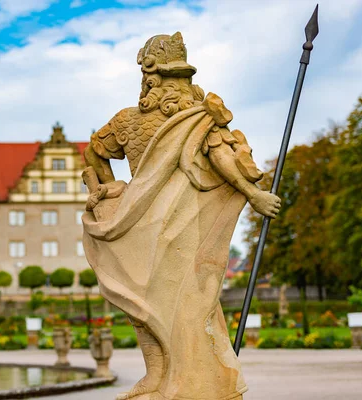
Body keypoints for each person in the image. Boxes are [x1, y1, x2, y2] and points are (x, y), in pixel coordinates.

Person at [82, 33, 281, 400]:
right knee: (142, 306)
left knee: (184, 307)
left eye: (182, 80)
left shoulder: (195, 120)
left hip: (183, 232)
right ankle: (157, 377)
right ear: (152, 80)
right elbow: (95, 155)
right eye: (175, 79)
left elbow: (222, 158)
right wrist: (111, 192)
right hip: (142, 230)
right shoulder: (131, 121)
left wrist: (253, 193)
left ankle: (190, 382)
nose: (180, 88)